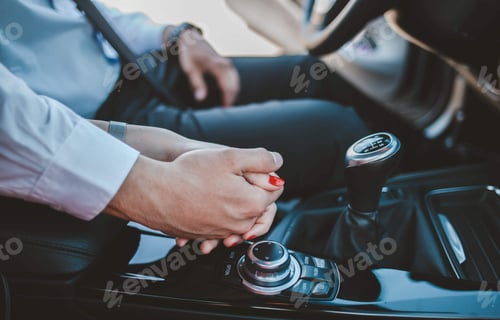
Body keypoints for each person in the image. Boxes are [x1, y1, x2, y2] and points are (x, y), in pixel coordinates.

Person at [0, 1, 368, 252]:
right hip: (82, 119)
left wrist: (175, 36)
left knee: (315, 74)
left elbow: (72, 18)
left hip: (135, 72)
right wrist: (145, 185)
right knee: (338, 133)